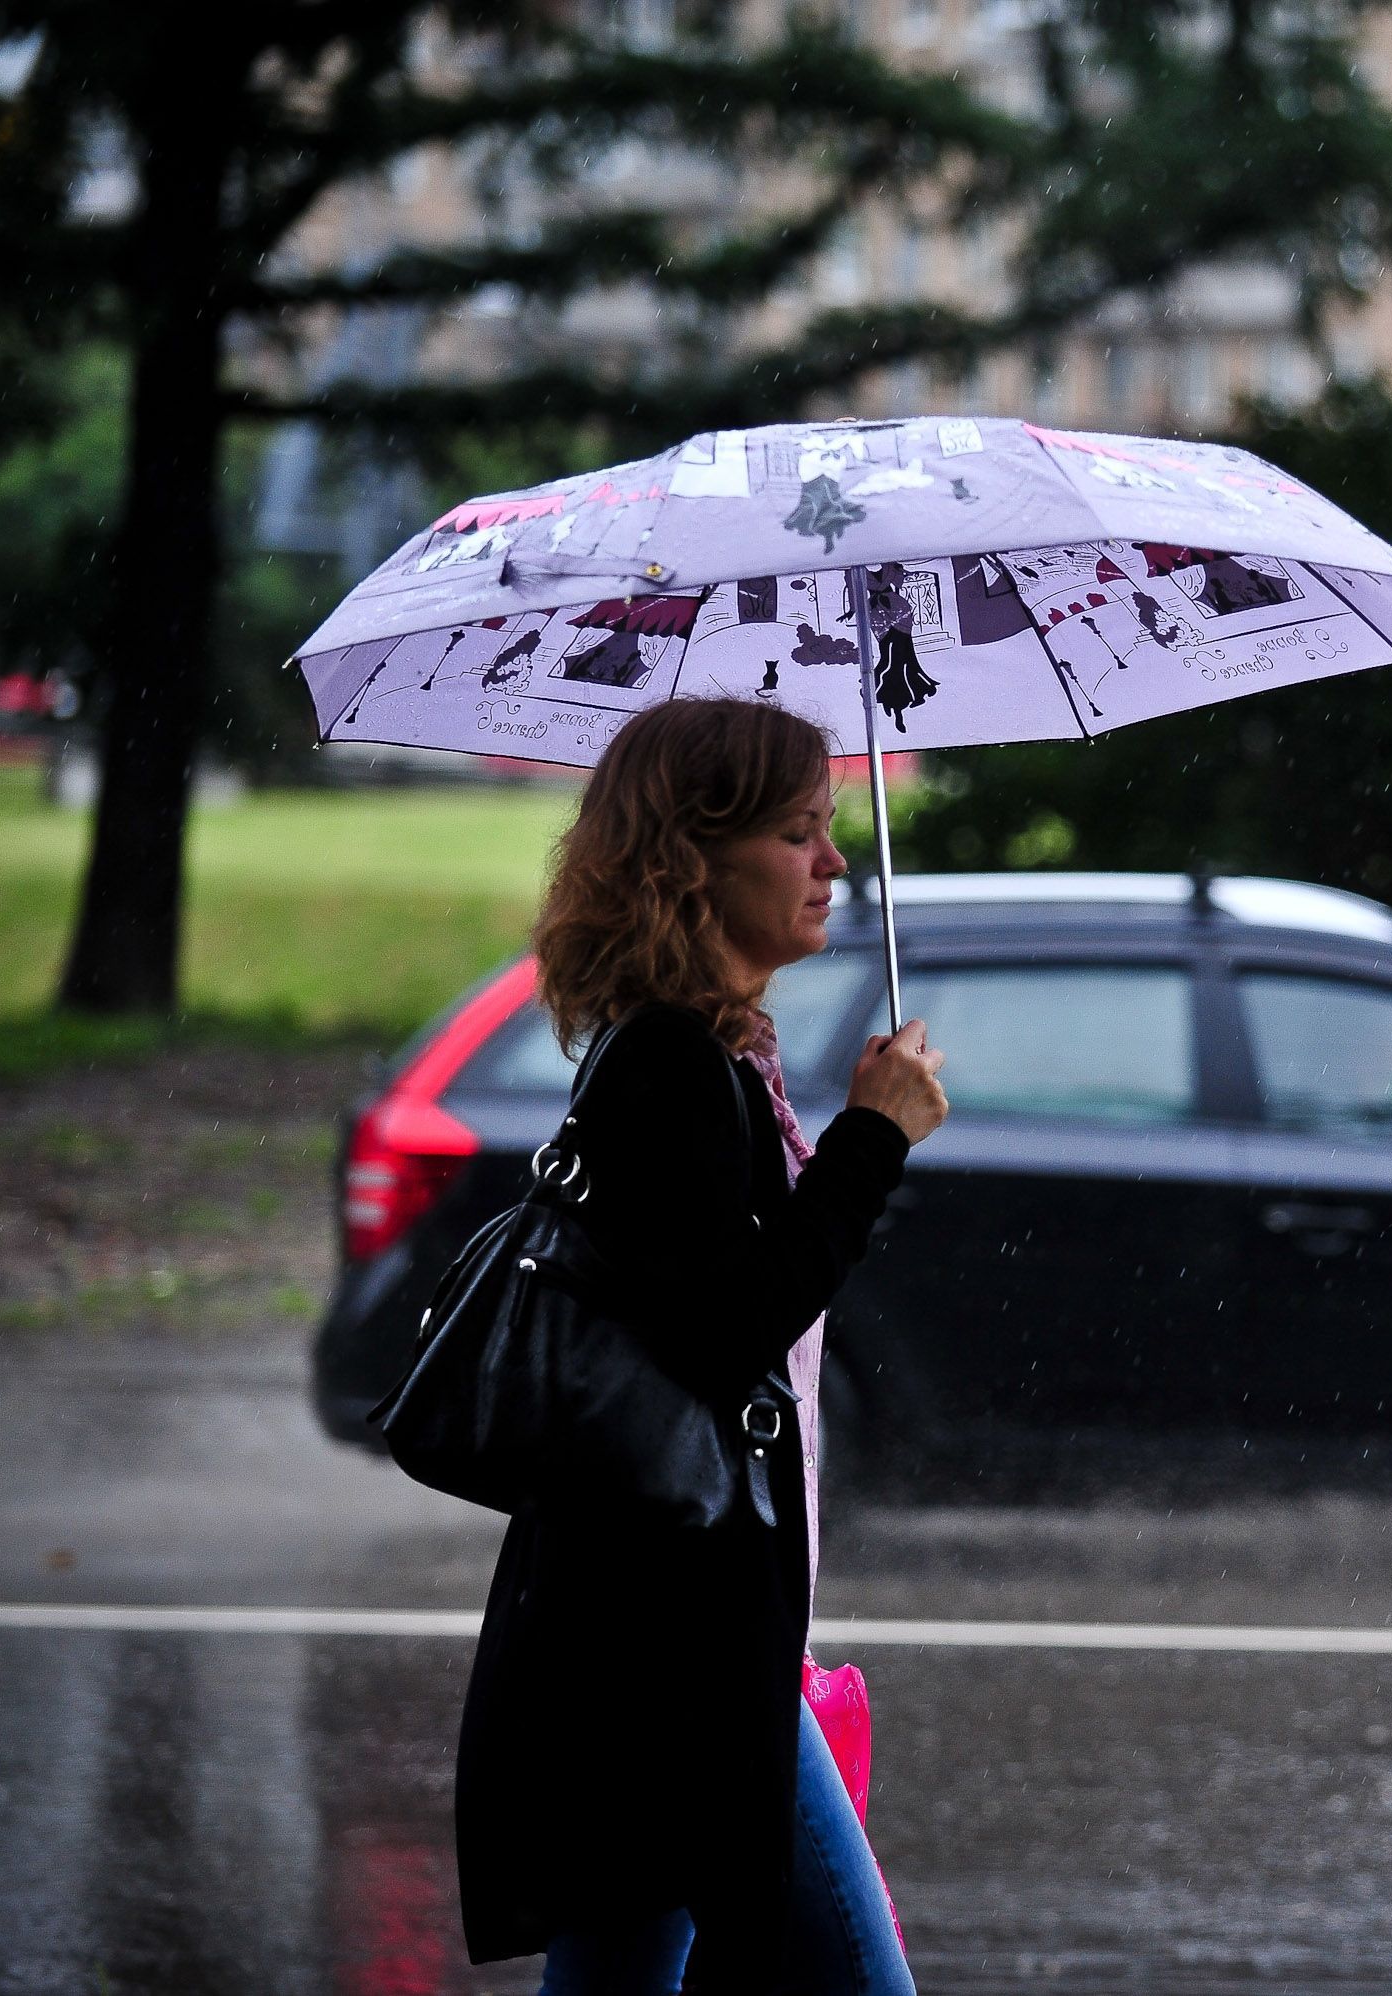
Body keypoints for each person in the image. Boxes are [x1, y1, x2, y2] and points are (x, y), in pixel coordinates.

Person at [456, 697, 948, 1993]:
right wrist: (872, 1139)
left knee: (625, 1972)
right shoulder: (670, 1069)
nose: (833, 863)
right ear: (691, 855)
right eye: (799, 833)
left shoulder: (711, 1055)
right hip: (671, 1649)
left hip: (674, 1631)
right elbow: (734, 1322)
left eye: (830, 831)